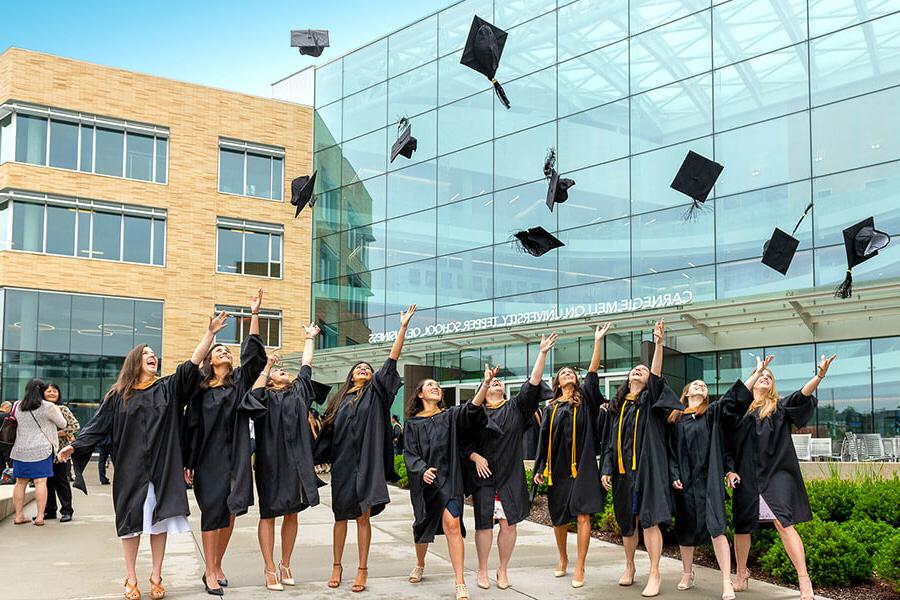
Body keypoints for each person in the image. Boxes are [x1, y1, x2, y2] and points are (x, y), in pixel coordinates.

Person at [58, 313, 225, 600]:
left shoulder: (167, 389)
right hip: (131, 469)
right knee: (131, 525)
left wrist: (209, 335)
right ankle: (131, 578)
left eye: (154, 354)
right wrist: (75, 445)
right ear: (135, 361)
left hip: (162, 466)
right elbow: (97, 425)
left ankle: (156, 577)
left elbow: (190, 367)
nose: (153, 357)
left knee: (159, 523)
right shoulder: (118, 395)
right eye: (146, 354)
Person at [317, 304, 416, 593]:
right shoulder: (339, 400)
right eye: (359, 367)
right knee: (340, 517)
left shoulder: (376, 394)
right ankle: (336, 565)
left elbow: (392, 360)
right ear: (351, 375)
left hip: (368, 464)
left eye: (368, 368)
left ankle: (362, 569)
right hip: (344, 464)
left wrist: (403, 328)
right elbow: (326, 431)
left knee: (362, 516)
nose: (364, 369)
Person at [728, 354, 836, 600]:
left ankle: (804, 579)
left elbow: (802, 396)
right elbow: (728, 446)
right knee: (742, 525)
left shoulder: (779, 407)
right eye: (761, 376)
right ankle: (742, 572)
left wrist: (818, 376)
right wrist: (729, 469)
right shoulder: (738, 413)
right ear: (753, 382)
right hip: (746, 476)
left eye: (769, 377)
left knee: (782, 521)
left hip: (777, 473)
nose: (765, 378)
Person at [183, 289, 268, 595]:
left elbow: (254, 356)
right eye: (219, 351)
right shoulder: (201, 389)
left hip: (237, 454)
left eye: (227, 352)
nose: (225, 354)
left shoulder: (239, 383)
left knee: (231, 510)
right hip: (208, 458)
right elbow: (190, 426)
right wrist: (187, 462)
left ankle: (217, 563)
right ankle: (209, 571)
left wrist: (254, 314)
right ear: (210, 360)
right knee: (212, 511)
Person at [665, 358, 770, 600]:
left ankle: (725, 580)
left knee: (717, 528)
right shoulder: (676, 420)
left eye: (704, 385)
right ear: (686, 393)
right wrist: (674, 476)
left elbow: (733, 398)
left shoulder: (712, 414)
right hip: (685, 482)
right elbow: (670, 452)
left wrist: (756, 373)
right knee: (685, 528)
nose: (700, 386)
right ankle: (687, 572)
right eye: (695, 384)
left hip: (708, 480)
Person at [240, 324, 330, 591]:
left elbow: (306, 363)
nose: (283, 371)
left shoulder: (299, 391)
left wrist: (308, 338)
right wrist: (267, 367)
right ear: (270, 380)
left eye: (283, 371)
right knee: (269, 514)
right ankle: (269, 568)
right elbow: (251, 397)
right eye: (278, 372)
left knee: (293, 513)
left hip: (298, 462)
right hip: (271, 462)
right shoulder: (264, 397)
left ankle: (285, 563)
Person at [465, 335, 553, 590]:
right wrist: (474, 455)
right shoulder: (474, 411)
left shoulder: (515, 408)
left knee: (508, 523)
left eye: (498, 381)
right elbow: (463, 443)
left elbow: (532, 385)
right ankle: (482, 570)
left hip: (510, 475)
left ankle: (502, 569)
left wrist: (542, 354)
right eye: (492, 382)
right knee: (484, 525)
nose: (496, 382)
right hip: (484, 477)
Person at [601, 320, 682, 598]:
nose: (639, 370)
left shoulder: (651, 401)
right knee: (627, 522)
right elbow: (611, 442)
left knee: (649, 520)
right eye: (635, 368)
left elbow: (657, 376)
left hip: (648, 471)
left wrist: (658, 343)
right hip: (624, 473)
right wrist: (607, 467)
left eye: (643, 369)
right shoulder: (618, 407)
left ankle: (655, 572)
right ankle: (629, 566)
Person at [534, 325, 611, 589]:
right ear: (556, 383)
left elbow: (592, 372)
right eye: (562, 373)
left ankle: (580, 565)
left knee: (583, 516)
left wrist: (597, 341)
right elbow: (543, 440)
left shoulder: (585, 399)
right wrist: (539, 466)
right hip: (557, 468)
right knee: (559, 517)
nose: (567, 374)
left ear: (576, 381)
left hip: (584, 467)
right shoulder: (550, 408)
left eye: (571, 373)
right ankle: (563, 558)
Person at [403, 376, 486, 600]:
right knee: (422, 526)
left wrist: (485, 385)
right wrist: (421, 470)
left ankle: (459, 581)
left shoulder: (449, 416)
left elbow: (472, 408)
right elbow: (409, 453)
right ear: (420, 394)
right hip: (426, 484)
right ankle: (420, 563)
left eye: (437, 386)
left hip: (450, 480)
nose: (435, 387)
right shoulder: (412, 424)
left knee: (453, 525)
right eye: (430, 385)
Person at [10, 378, 66, 526]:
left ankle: (18, 516)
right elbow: (63, 423)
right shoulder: (48, 406)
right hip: (41, 449)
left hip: (20, 449)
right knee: (40, 481)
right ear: (42, 391)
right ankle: (40, 517)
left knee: (20, 483)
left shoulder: (17, 405)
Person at [43, 383, 80, 522]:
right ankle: (49, 510)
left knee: (61, 481)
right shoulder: (40, 409)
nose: (52, 393)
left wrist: (56, 434)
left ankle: (67, 511)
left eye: (54, 391)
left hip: (60, 452)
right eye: (48, 391)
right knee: (47, 482)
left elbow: (75, 426)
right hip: (43, 451)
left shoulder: (62, 409)